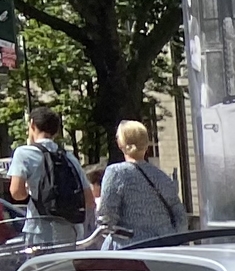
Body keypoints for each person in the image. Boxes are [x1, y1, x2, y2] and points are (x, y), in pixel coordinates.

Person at [8, 106, 92, 249]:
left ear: (32, 124)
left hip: (40, 229)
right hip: (71, 231)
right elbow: (89, 200)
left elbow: (16, 193)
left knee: (41, 270)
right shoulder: (68, 156)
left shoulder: (24, 153)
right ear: (57, 131)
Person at [94, 122, 187, 244]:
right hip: (164, 247)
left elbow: (106, 218)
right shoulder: (161, 175)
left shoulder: (116, 172)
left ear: (120, 143)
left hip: (131, 249)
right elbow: (180, 216)